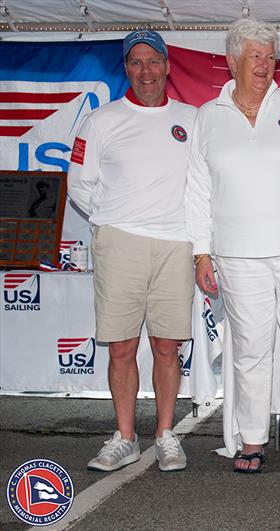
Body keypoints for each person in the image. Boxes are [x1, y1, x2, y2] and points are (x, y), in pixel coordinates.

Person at [185, 18, 280, 474]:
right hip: (236, 254)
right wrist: (201, 251)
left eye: (270, 56)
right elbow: (197, 189)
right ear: (232, 61)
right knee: (250, 349)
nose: (264, 65)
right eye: (255, 56)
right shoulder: (208, 117)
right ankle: (252, 440)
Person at [67, 29, 196, 472]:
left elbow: (205, 185)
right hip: (119, 242)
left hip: (176, 244)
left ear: (166, 66)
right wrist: (113, 219)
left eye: (153, 61)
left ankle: (165, 434)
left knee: (167, 345)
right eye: (137, 62)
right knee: (120, 348)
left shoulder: (192, 119)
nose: (146, 71)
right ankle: (125, 436)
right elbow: (79, 184)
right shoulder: (101, 120)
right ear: (126, 68)